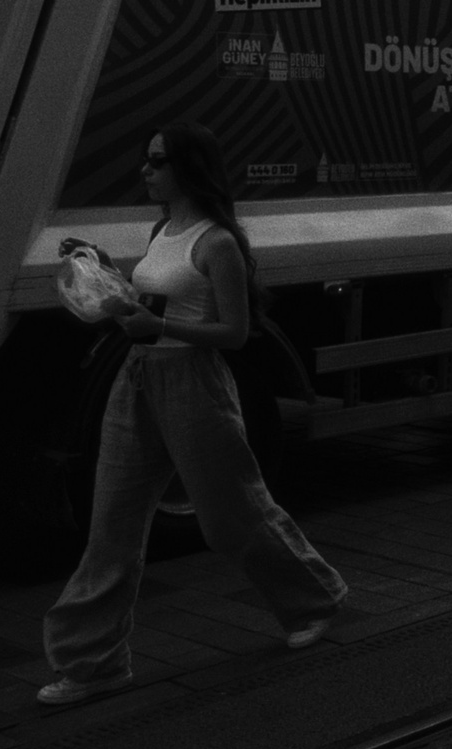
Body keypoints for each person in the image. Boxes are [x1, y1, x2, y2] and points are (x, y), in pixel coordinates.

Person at [38, 124, 346, 707]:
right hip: (136, 380)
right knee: (110, 528)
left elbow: (234, 333)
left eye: (157, 161)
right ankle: (94, 664)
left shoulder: (217, 242)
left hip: (194, 383)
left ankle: (313, 600)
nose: (145, 170)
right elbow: (148, 299)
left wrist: (159, 325)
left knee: (233, 516)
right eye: (146, 160)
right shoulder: (162, 231)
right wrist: (102, 268)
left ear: (189, 167)